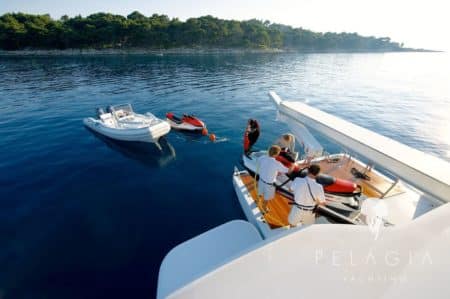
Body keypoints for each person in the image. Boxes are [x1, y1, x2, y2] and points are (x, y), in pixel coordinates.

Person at [257, 145, 291, 214]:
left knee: (260, 192)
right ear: (276, 154)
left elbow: (259, 163)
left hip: (261, 180)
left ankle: (257, 200)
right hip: (269, 185)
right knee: (267, 197)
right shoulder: (277, 164)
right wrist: (293, 166)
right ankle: (264, 208)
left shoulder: (262, 157)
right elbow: (287, 171)